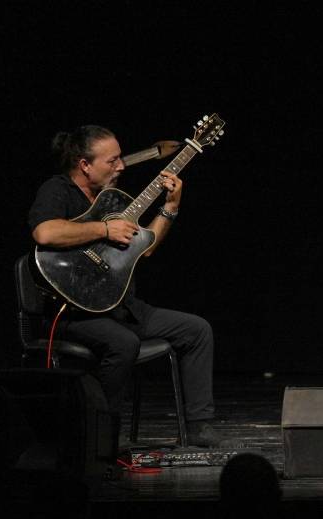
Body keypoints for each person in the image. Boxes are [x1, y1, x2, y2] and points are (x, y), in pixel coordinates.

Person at [27, 124, 221, 446]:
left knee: (197, 330)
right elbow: (45, 233)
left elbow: (145, 247)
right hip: (72, 312)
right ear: (84, 165)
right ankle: (101, 433)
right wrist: (104, 230)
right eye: (112, 160)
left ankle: (199, 426)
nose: (121, 166)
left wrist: (170, 207)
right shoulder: (57, 190)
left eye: (120, 158)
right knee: (123, 343)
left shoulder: (112, 199)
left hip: (119, 305)